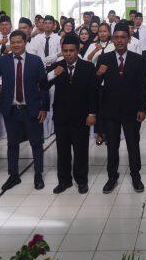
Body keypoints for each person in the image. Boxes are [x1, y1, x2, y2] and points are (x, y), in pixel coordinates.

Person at [0, 30, 49, 191]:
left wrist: (44, 108)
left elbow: (44, 86)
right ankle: (13, 175)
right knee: (12, 144)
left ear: (25, 42)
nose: (15, 45)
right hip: (11, 109)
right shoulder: (4, 60)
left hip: (32, 109)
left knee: (36, 143)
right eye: (13, 42)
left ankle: (38, 174)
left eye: (19, 42)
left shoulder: (35, 61)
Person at [96, 24, 146, 193]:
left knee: (133, 144)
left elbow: (142, 86)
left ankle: (135, 175)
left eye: (123, 37)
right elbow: (96, 85)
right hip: (110, 110)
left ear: (129, 39)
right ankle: (112, 177)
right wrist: (99, 73)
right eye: (116, 37)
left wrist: (142, 108)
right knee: (112, 146)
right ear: (112, 39)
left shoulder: (137, 59)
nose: (119, 41)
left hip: (131, 110)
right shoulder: (104, 58)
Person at [46, 35, 97, 194]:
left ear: (77, 50)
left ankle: (81, 180)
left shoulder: (88, 67)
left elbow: (93, 92)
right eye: (65, 51)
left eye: (71, 50)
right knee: (62, 151)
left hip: (81, 116)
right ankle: (64, 181)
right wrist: (53, 74)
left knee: (81, 151)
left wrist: (92, 113)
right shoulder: (57, 66)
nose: (68, 54)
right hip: (61, 117)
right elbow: (42, 85)